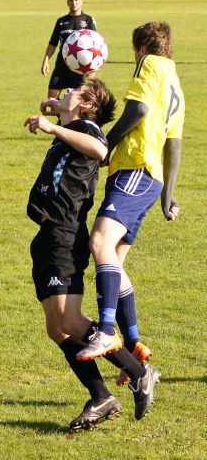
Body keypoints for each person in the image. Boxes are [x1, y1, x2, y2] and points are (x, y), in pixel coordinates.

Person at [24, 79, 161, 431]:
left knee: (69, 322)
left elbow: (100, 149)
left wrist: (55, 122)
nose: (67, 91)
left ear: (86, 107)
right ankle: (101, 397)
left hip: (64, 235)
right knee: (57, 329)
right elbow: (69, 120)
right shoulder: (73, 125)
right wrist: (56, 109)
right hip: (47, 235)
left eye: (76, 92)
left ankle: (138, 371)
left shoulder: (89, 130)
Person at [76, 21, 185, 381]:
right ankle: (136, 347)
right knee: (113, 263)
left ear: (140, 47)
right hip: (148, 179)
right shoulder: (175, 81)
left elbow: (136, 111)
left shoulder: (149, 64)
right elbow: (174, 143)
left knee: (99, 242)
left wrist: (107, 141)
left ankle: (107, 330)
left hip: (134, 170)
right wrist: (167, 197)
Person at [41, 0, 97, 99]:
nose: (74, 3)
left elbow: (95, 46)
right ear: (67, 2)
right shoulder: (61, 21)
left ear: (81, 1)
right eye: (71, 0)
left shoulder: (88, 20)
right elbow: (53, 42)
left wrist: (93, 70)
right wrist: (46, 60)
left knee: (74, 101)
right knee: (51, 99)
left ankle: (69, 116)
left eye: (76, 0)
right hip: (61, 65)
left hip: (79, 68)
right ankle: (61, 117)